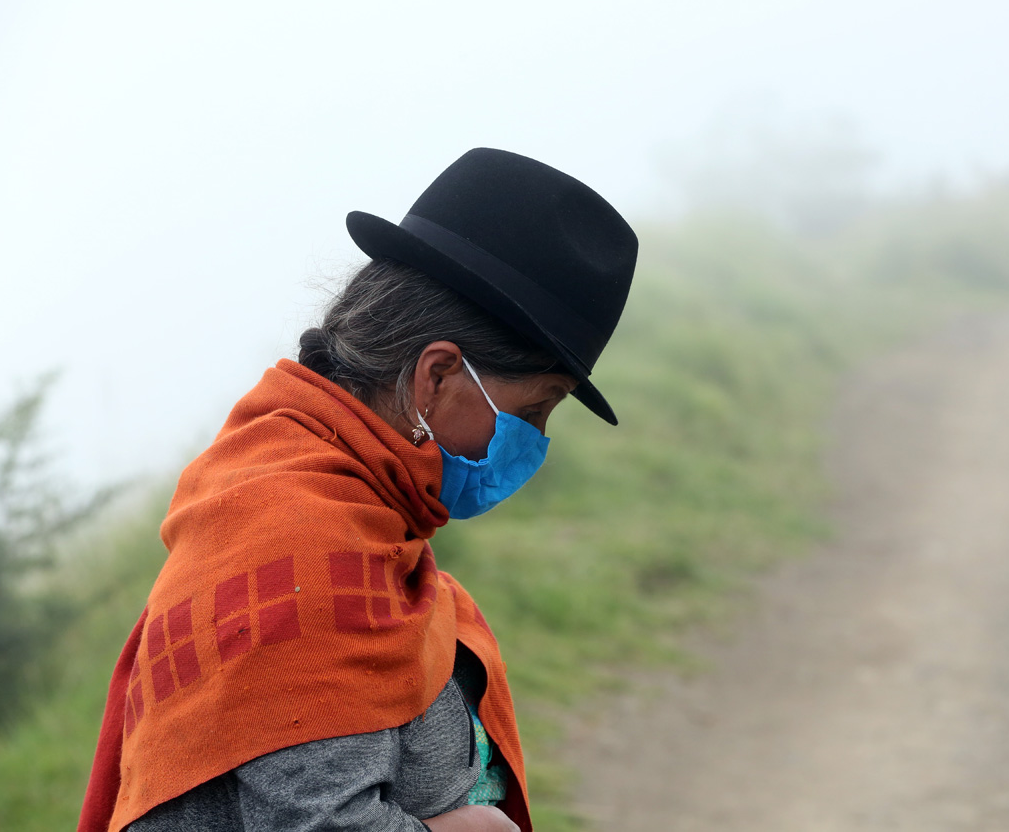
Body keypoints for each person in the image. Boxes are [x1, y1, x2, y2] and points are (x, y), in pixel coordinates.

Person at [78, 148, 639, 832]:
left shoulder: (354, 514)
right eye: (533, 411)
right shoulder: (297, 540)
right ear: (436, 376)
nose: (537, 444)